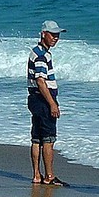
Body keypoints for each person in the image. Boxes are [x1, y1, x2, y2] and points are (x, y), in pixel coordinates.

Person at [28, 20, 69, 186]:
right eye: (53, 35)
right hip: (43, 99)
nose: (56, 38)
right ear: (43, 34)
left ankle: (37, 175)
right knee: (48, 139)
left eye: (57, 35)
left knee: (36, 138)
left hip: (35, 99)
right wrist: (52, 103)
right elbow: (40, 81)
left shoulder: (37, 51)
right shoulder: (41, 55)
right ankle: (49, 176)